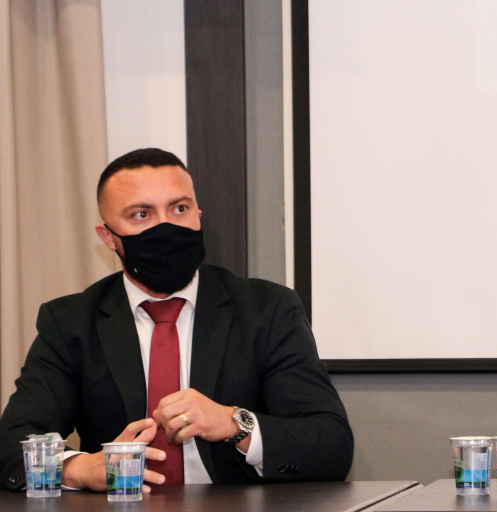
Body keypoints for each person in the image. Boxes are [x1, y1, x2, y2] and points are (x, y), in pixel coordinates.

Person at [0, 148, 353, 492]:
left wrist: (235, 424)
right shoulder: (70, 323)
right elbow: (11, 446)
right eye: (142, 215)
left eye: (179, 209)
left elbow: (331, 446)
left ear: (199, 214)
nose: (166, 228)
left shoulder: (267, 310)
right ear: (108, 237)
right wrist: (79, 469)